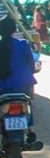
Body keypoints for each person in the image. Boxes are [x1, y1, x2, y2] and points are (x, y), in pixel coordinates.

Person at [0, 15, 39, 146]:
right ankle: (30, 130)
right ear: (14, 30)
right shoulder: (23, 44)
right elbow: (31, 66)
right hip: (23, 86)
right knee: (27, 104)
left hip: (2, 88)